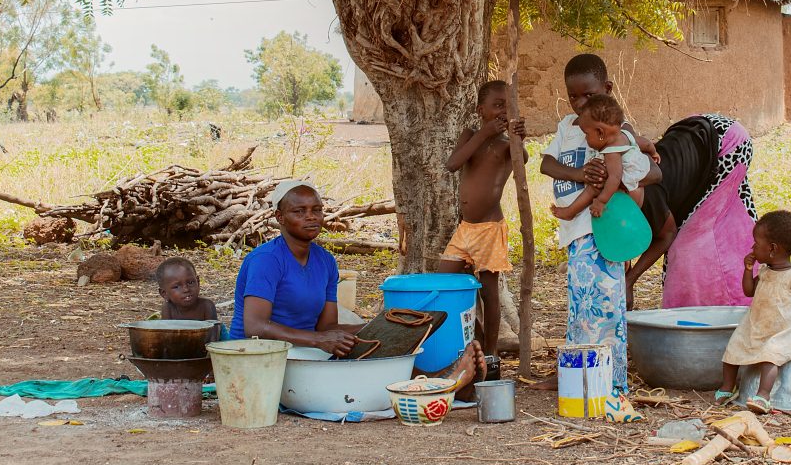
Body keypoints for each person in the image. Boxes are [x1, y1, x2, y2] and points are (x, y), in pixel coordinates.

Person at [230, 180, 486, 390]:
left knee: (379, 343)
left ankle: (437, 382)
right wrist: (319, 340)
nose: (311, 217)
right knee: (365, 371)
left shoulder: (324, 261)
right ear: (280, 217)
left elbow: (327, 326)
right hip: (260, 356)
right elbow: (255, 326)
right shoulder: (266, 260)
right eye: (299, 212)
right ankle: (438, 384)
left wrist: (382, 328)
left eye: (316, 210)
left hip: (304, 349)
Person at [539, 54, 658, 395]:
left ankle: (605, 382)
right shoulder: (567, 127)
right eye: (573, 96)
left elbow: (654, 172)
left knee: (603, 307)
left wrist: (612, 178)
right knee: (580, 306)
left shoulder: (620, 133)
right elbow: (547, 164)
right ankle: (575, 375)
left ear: (606, 89)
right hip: (576, 232)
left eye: (588, 95)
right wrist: (579, 174)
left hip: (601, 230)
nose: (579, 103)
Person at [623, 114, 758, 310]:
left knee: (689, 246)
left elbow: (666, 235)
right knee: (724, 227)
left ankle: (723, 307)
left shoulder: (647, 193)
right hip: (695, 132)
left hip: (726, 142)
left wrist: (629, 282)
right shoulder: (617, 194)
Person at [438, 80, 527, 357]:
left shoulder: (504, 145)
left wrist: (519, 139)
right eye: (498, 105)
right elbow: (453, 164)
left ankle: (490, 354)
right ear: (481, 110)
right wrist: (483, 133)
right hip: (465, 229)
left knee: (490, 293)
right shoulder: (469, 136)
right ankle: (475, 340)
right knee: (443, 283)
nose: (503, 111)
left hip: (490, 229)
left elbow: (521, 159)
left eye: (509, 106)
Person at [716, 210, 791, 414]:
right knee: (733, 348)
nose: (752, 247)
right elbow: (749, 292)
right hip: (756, 324)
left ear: (772, 249)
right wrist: (748, 269)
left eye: (756, 243)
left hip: (782, 330)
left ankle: (763, 395)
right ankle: (728, 387)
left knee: (771, 356)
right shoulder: (765, 271)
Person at [550, 94, 651, 220]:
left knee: (594, 187)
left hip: (628, 196)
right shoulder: (624, 135)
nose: (585, 138)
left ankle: (570, 212)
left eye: (586, 134)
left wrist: (601, 201)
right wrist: (653, 151)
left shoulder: (611, 153)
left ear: (600, 132)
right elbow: (645, 143)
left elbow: (615, 178)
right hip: (640, 191)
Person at [157, 256, 218, 322]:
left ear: (198, 282)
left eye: (190, 282)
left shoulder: (207, 306)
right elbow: (167, 331)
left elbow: (213, 331)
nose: (186, 289)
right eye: (176, 287)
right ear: (164, 293)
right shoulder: (168, 308)